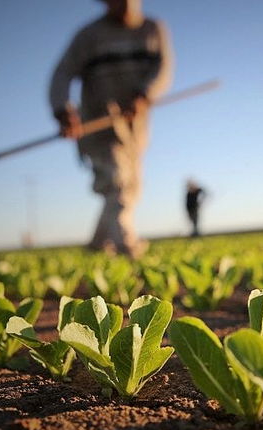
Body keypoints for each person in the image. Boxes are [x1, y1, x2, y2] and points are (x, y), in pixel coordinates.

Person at [49, 0, 173, 258]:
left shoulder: (153, 29)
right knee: (117, 182)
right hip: (98, 123)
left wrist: (144, 94)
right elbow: (62, 74)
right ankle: (127, 246)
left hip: (135, 128)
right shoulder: (89, 35)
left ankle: (96, 246)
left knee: (131, 188)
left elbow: (163, 69)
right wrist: (62, 110)